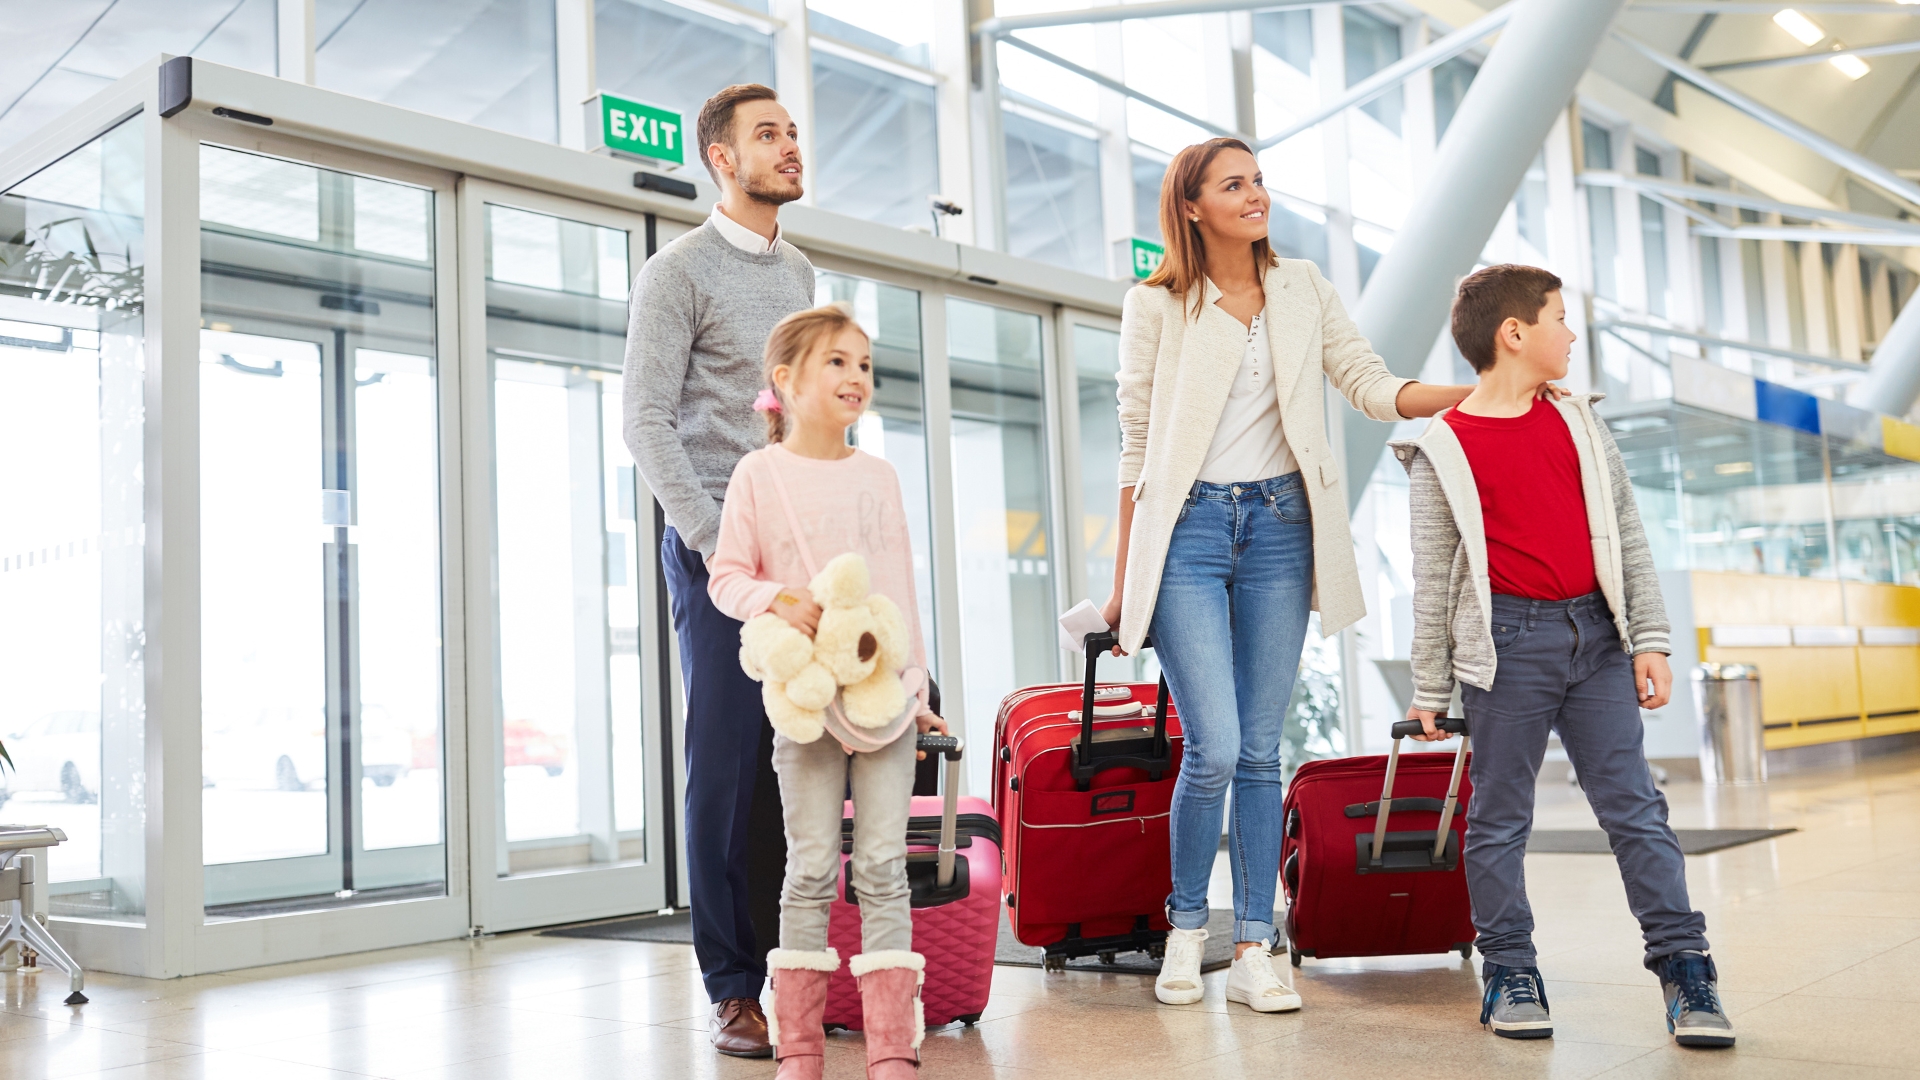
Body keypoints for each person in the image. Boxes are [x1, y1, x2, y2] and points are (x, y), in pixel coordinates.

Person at [1099, 137, 1479, 1013]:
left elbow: (1369, 383)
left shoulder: (1303, 286)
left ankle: (1256, 948)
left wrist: (1471, 395)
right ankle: (1187, 931)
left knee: (1263, 752)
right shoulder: (1156, 305)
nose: (1255, 194)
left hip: (1279, 527)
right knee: (1217, 748)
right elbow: (1134, 447)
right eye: (1234, 185)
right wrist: (1126, 579)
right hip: (1186, 531)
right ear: (1191, 206)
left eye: (1259, 180)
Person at [1392, 264, 1734, 1048]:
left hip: (1599, 639)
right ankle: (1510, 969)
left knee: (1636, 809)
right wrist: (1430, 689)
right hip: (1506, 647)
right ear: (1514, 334)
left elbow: (1628, 535)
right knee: (1499, 817)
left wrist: (1648, 637)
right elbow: (1433, 580)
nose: (1571, 334)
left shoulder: (1581, 422)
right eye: (1559, 319)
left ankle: (1686, 967)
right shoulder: (1441, 446)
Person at [622, 82, 815, 1059]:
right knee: (731, 768)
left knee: (799, 766)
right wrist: (711, 541)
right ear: (722, 159)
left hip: (798, 552)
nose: (790, 147)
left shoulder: (800, 273)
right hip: (715, 549)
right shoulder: (677, 273)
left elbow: (798, 414)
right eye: (768, 135)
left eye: (792, 132)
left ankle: (794, 967)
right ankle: (732, 985)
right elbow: (646, 422)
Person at [708, 304, 947, 1080]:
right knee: (808, 867)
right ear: (785, 379)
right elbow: (726, 579)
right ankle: (800, 1050)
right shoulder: (757, 474)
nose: (856, 377)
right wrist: (777, 598)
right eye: (838, 362)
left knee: (881, 865)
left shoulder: (878, 476)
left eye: (865, 365)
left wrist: (918, 688)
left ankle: (892, 1051)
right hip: (806, 705)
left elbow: (899, 595)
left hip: (883, 704)